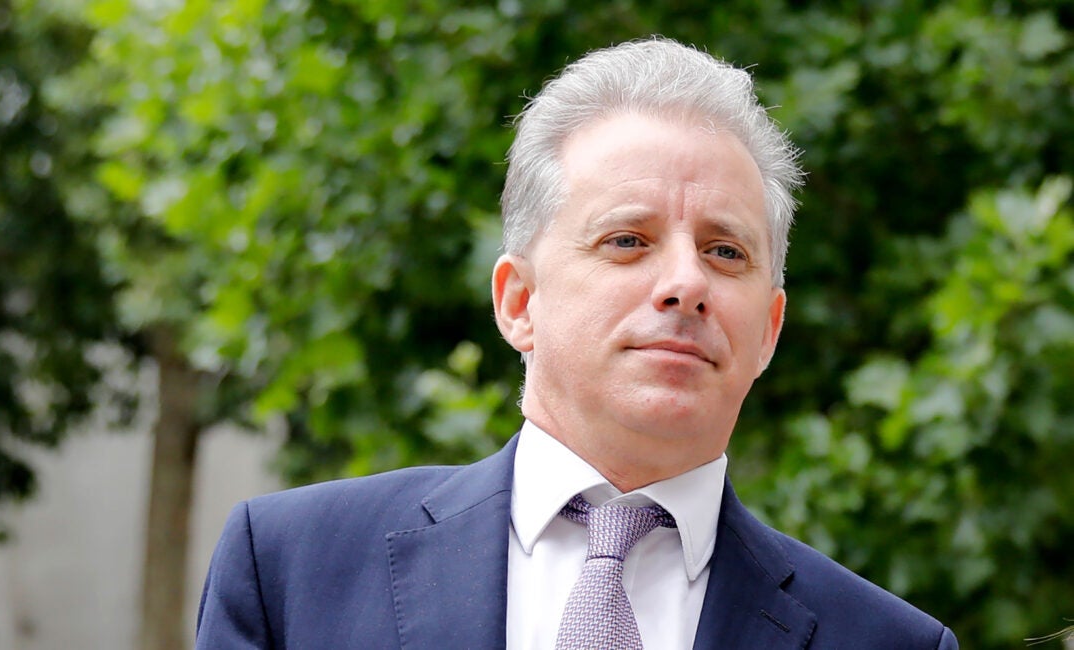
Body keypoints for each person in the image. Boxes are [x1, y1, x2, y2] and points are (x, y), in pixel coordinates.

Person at [195, 36, 959, 649]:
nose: (686, 282)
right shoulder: (293, 569)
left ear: (768, 331)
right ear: (518, 302)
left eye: (726, 251)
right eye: (628, 240)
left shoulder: (888, 641)